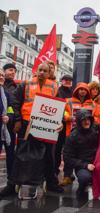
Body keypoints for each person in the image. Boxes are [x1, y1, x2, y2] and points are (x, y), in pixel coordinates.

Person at [12, 62, 63, 193]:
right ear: (36, 70)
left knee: (48, 156)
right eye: (40, 70)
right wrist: (17, 120)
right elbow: (15, 102)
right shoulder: (25, 84)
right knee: (22, 154)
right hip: (26, 125)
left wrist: (60, 122)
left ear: (49, 73)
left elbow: (59, 108)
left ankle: (51, 183)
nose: (42, 72)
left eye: (45, 71)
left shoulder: (54, 87)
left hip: (46, 127)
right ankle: (13, 184)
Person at [61, 82, 98, 186]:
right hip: (71, 131)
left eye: (85, 90)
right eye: (80, 89)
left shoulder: (92, 103)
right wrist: (68, 117)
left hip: (86, 132)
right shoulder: (68, 101)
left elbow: (95, 116)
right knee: (68, 153)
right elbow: (64, 112)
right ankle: (67, 176)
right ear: (76, 91)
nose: (82, 91)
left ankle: (83, 172)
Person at [63, 109, 99, 198]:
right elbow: (67, 158)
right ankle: (82, 189)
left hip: (98, 163)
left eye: (88, 119)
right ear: (79, 121)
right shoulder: (72, 137)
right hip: (83, 166)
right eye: (83, 120)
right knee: (84, 177)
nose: (87, 122)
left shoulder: (97, 129)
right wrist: (85, 165)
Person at [54, 74, 73, 177]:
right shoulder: (57, 91)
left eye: (70, 80)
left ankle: (68, 173)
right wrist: (64, 117)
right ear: (62, 81)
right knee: (57, 149)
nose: (68, 82)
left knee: (68, 150)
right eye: (66, 80)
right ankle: (55, 170)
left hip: (70, 125)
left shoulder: (73, 93)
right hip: (59, 124)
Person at [0, 68, 15, 198]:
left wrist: (9, 116)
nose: (1, 77)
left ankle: (11, 185)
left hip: (6, 131)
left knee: (11, 157)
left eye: (2, 76)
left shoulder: (6, 93)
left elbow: (10, 108)